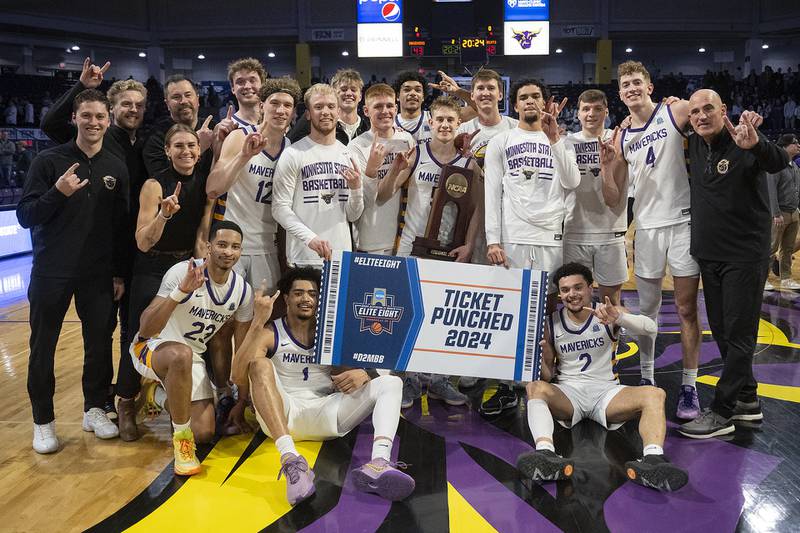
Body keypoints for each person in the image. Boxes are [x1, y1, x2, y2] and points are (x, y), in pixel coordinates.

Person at [230, 267, 414, 505]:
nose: (306, 298)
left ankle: (378, 463)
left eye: (312, 293)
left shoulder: (332, 333)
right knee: (259, 365)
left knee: (391, 382)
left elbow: (391, 360)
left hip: (326, 412)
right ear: (286, 298)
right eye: (298, 293)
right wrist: (257, 321)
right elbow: (237, 376)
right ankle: (291, 461)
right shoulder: (270, 332)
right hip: (284, 417)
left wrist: (365, 373)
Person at [17, 89, 129, 453]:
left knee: (99, 346)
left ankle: (94, 408)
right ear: (74, 118)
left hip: (97, 274)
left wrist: (117, 272)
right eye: (87, 116)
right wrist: (57, 193)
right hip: (52, 271)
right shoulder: (48, 161)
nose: (93, 122)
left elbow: (120, 226)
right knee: (43, 347)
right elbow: (25, 215)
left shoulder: (116, 165)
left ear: (108, 120)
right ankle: (43, 421)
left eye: (100, 117)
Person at [41, 58, 149, 422]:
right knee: (98, 334)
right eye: (125, 105)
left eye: (138, 105)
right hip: (88, 258)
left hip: (131, 252)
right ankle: (98, 402)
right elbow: (50, 123)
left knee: (122, 333)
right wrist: (81, 86)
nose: (132, 110)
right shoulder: (94, 139)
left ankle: (118, 398)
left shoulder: (145, 142)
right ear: (111, 108)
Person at [516, 262, 688, 492]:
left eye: (578, 288)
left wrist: (620, 318)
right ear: (560, 294)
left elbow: (650, 328)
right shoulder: (551, 322)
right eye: (565, 290)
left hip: (607, 392)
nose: (572, 294)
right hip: (569, 393)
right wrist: (541, 358)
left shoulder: (607, 313)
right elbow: (547, 375)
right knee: (535, 387)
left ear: (590, 288)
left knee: (655, 394)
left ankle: (653, 460)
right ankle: (545, 453)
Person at [679, 90, 788, 439]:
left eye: (708, 108)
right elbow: (670, 112)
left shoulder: (744, 138)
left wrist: (757, 144)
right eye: (694, 111)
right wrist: (669, 102)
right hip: (710, 255)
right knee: (724, 333)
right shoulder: (695, 143)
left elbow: (778, 161)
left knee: (740, 336)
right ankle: (747, 399)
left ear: (723, 110)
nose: (700, 116)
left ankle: (722, 412)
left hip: (744, 255)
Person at [601, 60, 701, 419]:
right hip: (645, 229)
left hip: (682, 223)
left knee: (688, 309)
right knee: (648, 312)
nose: (630, 88)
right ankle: (646, 379)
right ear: (620, 91)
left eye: (636, 82)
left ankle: (689, 386)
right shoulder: (620, 135)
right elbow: (614, 197)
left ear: (650, 86)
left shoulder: (675, 110)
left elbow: (708, 111)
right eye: (625, 84)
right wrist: (606, 165)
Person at [482, 79, 581, 416]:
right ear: (515, 104)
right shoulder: (501, 141)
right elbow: (492, 192)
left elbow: (573, 182)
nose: (529, 102)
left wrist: (554, 141)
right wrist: (492, 239)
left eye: (535, 96)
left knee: (550, 310)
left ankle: (549, 380)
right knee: (512, 312)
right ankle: (510, 386)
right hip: (512, 236)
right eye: (523, 97)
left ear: (544, 102)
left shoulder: (558, 139)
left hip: (549, 235)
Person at [379, 95, 480, 408]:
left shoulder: (468, 161)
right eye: (440, 120)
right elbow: (383, 196)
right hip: (412, 244)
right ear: (431, 122)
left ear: (458, 123)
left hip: (449, 250)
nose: (446, 125)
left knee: (441, 317)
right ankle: (409, 378)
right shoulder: (416, 152)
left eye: (451, 120)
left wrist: (470, 244)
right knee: (410, 315)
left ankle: (437, 379)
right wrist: (397, 171)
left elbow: (477, 208)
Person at [131, 221, 254, 474]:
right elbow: (145, 327)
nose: (228, 252)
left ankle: (158, 396)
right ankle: (182, 443)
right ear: (208, 247)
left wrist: (242, 401)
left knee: (206, 432)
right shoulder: (183, 271)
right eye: (221, 244)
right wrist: (180, 292)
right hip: (151, 347)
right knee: (180, 354)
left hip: (192, 358)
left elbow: (242, 349)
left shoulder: (243, 291)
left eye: (235, 247)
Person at [118, 124, 215, 441]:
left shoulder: (201, 182)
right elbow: (142, 242)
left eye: (192, 145)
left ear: (199, 150)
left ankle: (171, 396)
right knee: (139, 334)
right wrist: (164, 216)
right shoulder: (153, 185)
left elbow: (202, 233)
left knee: (185, 336)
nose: (186, 151)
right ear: (167, 151)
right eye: (179, 146)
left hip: (186, 264)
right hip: (152, 266)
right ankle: (126, 402)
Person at [207, 76, 301, 289]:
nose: (280, 110)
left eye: (287, 105)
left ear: (294, 112)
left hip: (269, 247)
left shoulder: (292, 149)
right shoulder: (240, 137)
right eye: (274, 103)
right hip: (233, 243)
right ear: (261, 106)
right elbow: (212, 189)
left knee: (262, 315)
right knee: (225, 316)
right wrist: (243, 157)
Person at [272, 83, 363, 267]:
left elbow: (353, 216)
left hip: (340, 256)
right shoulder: (293, 153)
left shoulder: (349, 155)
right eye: (318, 107)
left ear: (338, 112)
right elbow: (279, 208)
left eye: (331, 106)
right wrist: (310, 239)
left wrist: (356, 189)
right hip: (303, 257)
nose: (325, 112)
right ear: (308, 114)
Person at [564, 90, 627, 305]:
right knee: (575, 302)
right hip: (574, 232)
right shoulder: (565, 143)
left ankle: (612, 341)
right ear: (578, 114)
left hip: (610, 232)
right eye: (586, 109)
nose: (591, 113)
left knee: (612, 303)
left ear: (606, 112)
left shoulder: (618, 139)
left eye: (598, 108)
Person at [349, 83, 414, 255]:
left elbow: (390, 192)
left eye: (390, 105)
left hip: (403, 237)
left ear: (396, 108)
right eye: (378, 106)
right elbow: (369, 199)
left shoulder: (407, 139)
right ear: (366, 111)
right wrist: (374, 168)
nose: (385, 111)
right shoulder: (356, 147)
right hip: (369, 239)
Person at [288, 69, 369, 145]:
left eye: (353, 90)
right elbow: (289, 141)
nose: (348, 93)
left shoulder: (368, 126)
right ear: (334, 93)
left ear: (361, 96)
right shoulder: (314, 119)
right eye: (343, 89)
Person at [765, 133, 800, 290]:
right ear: (785, 146)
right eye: (795, 143)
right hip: (780, 214)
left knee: (787, 247)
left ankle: (786, 278)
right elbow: (771, 190)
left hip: (793, 212)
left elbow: (796, 189)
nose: (798, 145)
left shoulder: (795, 166)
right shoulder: (775, 166)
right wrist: (775, 213)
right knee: (771, 247)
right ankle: (763, 279)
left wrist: (797, 208)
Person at [227, 57, 267, 131]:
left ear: (262, 85)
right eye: (240, 82)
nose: (247, 86)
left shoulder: (276, 122)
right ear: (233, 89)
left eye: (252, 80)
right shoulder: (226, 128)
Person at [393, 71, 432, 144]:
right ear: (397, 96)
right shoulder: (390, 124)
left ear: (423, 96)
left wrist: (459, 93)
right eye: (407, 90)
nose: (413, 93)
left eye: (418, 90)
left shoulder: (434, 118)